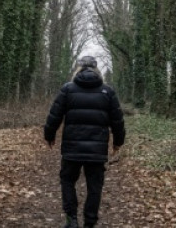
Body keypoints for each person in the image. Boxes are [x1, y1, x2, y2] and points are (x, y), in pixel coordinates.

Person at [43, 56, 125, 228]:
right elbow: (117, 121)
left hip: (72, 149)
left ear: (77, 69)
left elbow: (54, 115)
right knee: (94, 186)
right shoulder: (107, 91)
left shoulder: (68, 89)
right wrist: (118, 142)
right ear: (97, 70)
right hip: (97, 150)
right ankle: (90, 222)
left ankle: (71, 219)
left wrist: (49, 135)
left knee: (67, 180)